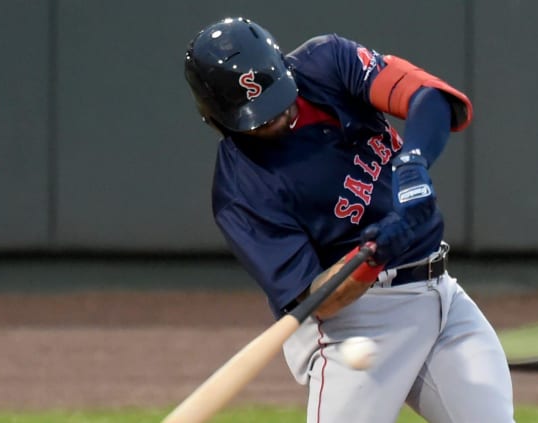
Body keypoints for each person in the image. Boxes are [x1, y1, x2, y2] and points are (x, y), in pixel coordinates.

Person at [183, 17, 515, 423]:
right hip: (356, 324)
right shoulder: (240, 192)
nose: (273, 118)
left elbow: (430, 97)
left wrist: (413, 163)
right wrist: (375, 254)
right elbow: (314, 301)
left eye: (277, 100)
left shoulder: (327, 63)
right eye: (258, 117)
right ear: (218, 118)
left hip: (443, 295)